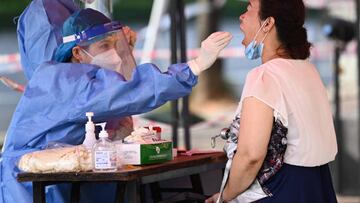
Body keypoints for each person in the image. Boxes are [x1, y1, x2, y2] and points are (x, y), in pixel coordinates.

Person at [0, 1, 232, 202]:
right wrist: (194, 66)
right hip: (32, 185)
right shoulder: (64, 80)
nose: (114, 53)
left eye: (115, 44)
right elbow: (134, 91)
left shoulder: (85, 78)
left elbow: (112, 106)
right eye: (104, 46)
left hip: (62, 177)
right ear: (78, 53)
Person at [206, 0, 338, 202]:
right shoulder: (308, 70)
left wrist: (224, 196)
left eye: (249, 8)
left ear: (267, 24)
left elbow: (251, 155)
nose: (241, 16)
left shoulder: (264, 75)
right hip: (319, 184)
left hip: (282, 189)